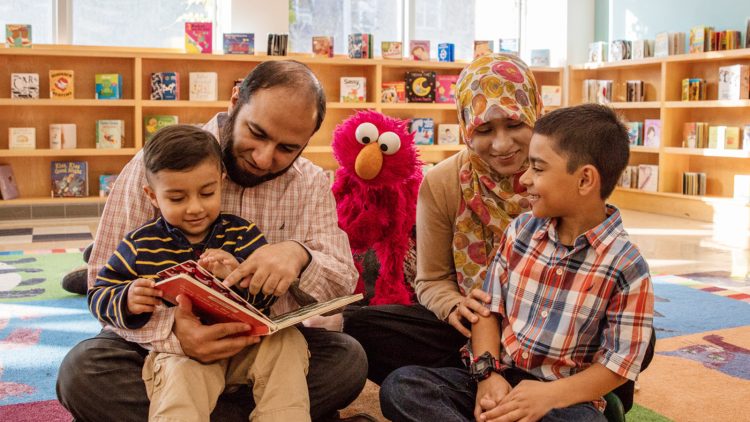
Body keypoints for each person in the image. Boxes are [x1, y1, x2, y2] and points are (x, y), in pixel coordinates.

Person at [57, 60, 370, 422]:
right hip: (163, 352)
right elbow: (102, 283)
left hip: (262, 349)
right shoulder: (159, 162)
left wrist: (299, 255)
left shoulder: (310, 182)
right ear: (235, 99)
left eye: (287, 148)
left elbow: (341, 286)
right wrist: (174, 334)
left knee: (348, 359)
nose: (264, 158)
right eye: (257, 133)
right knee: (82, 374)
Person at [380, 103, 655, 422]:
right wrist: (486, 375)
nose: (524, 179)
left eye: (537, 168)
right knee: (402, 387)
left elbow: (618, 365)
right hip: (498, 378)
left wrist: (546, 396)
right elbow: (487, 310)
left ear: (584, 181)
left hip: (560, 398)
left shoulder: (627, 266)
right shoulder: (521, 230)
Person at [87, 124, 309, 421]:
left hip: (247, 348)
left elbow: (266, 301)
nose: (195, 208)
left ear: (221, 181)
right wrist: (126, 298)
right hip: (183, 355)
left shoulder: (242, 234)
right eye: (177, 199)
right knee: (173, 380)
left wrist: (237, 275)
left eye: (207, 193)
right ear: (152, 196)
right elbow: (99, 293)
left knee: (290, 342)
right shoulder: (140, 244)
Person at [344, 53, 540, 384]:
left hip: (548, 325)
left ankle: (472, 383)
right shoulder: (443, 181)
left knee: (631, 336)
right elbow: (432, 279)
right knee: (358, 326)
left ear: (536, 113)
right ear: (465, 126)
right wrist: (454, 307)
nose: (502, 144)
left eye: (515, 124)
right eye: (485, 129)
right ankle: (483, 375)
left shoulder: (559, 170)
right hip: (465, 325)